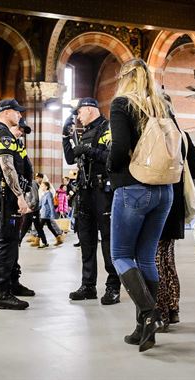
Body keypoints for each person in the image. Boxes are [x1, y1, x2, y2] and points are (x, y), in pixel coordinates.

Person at [107, 58, 176, 351]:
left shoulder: (122, 103)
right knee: (146, 258)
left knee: (120, 255)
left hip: (133, 188)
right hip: (164, 191)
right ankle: (142, 328)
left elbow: (121, 147)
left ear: (124, 77)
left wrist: (111, 166)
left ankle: (149, 314)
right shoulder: (163, 105)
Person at [62, 98, 120, 305]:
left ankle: (113, 286)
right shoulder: (83, 132)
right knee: (86, 240)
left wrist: (88, 151)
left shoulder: (108, 128)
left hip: (103, 191)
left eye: (80, 113)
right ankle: (88, 285)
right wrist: (64, 137)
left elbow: (112, 157)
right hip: (85, 192)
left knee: (107, 240)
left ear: (89, 109)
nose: (78, 117)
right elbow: (71, 159)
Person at [0, 98, 33, 310]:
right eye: (17, 112)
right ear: (5, 112)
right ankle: (3, 294)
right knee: (7, 242)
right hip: (5, 193)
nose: (20, 115)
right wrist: (20, 196)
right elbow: (8, 168)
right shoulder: (3, 135)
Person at [154, 127, 195, 331]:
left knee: (155, 258)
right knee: (167, 257)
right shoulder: (182, 134)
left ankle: (161, 314)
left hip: (156, 199)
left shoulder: (152, 132)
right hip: (176, 201)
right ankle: (173, 309)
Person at [38, 181, 64, 247]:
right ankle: (58, 238)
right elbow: (40, 204)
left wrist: (52, 214)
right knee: (50, 227)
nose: (41, 187)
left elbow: (51, 205)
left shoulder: (49, 194)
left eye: (43, 186)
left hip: (46, 214)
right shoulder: (44, 194)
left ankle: (44, 242)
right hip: (43, 213)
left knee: (39, 227)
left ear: (46, 187)